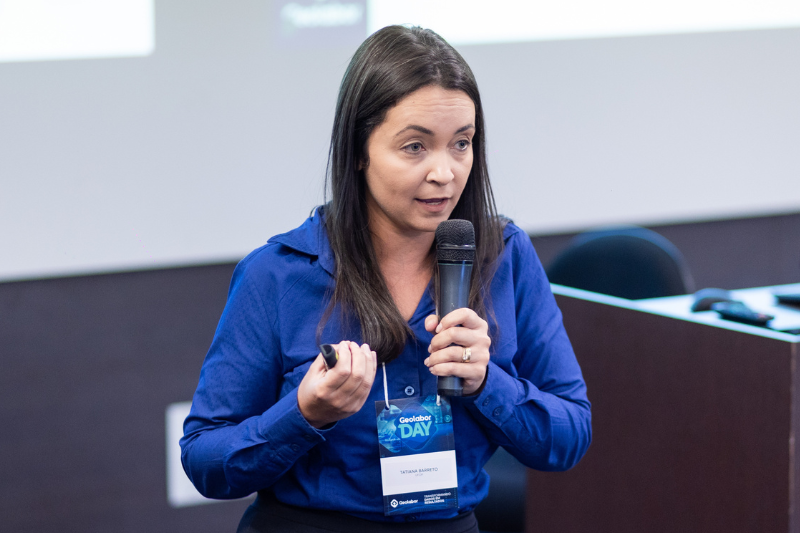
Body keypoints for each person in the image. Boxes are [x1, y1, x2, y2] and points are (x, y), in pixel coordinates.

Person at [181, 25, 591, 533]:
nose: (444, 172)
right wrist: (304, 413)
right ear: (359, 151)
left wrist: (487, 383)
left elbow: (569, 435)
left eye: (461, 144)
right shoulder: (277, 274)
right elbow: (205, 460)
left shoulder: (503, 255)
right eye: (415, 147)